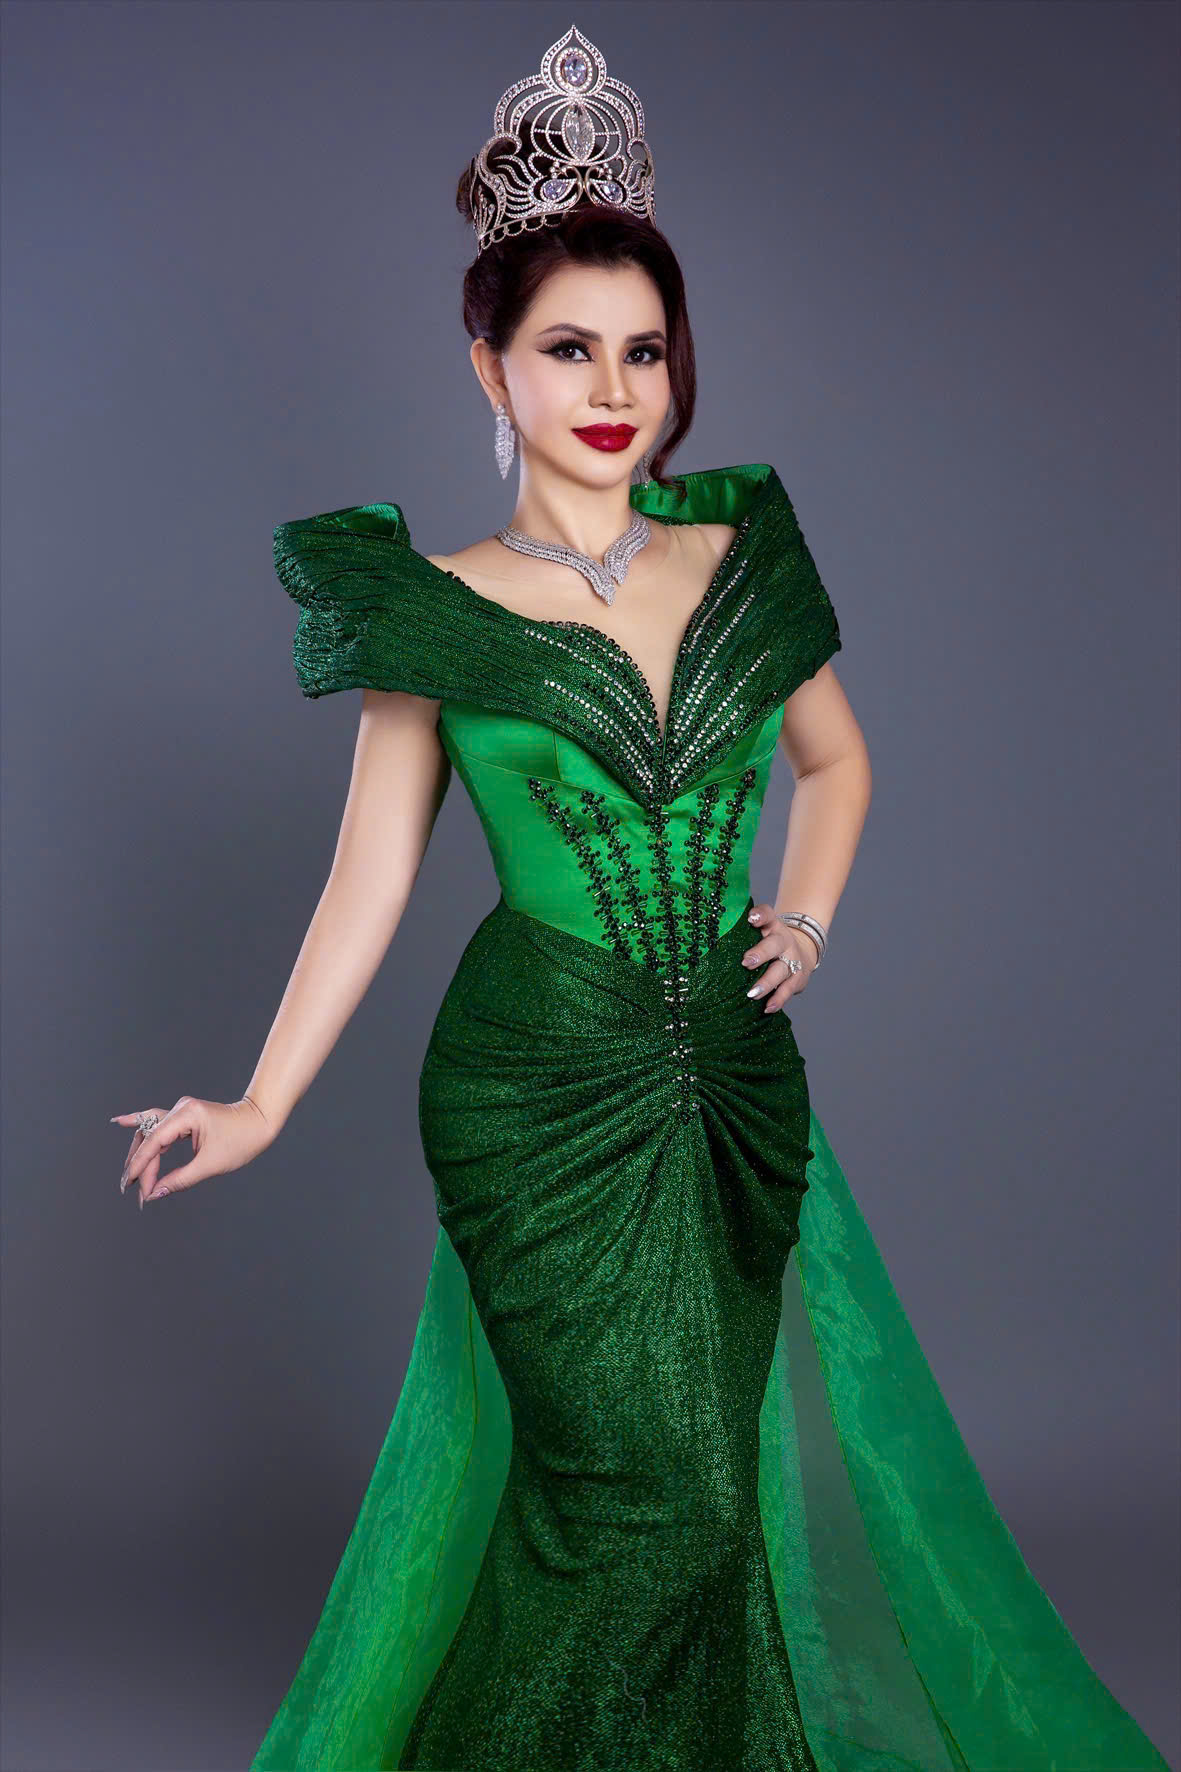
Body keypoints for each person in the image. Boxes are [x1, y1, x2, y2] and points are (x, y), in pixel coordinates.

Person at [111, 25, 1170, 1772]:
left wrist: (804, 919)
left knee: (708, 1490)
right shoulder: (430, 608)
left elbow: (839, 763)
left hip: (733, 1087)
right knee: (630, 1488)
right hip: (532, 1093)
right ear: (488, 366)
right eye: (566, 348)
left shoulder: (741, 559)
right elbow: (369, 873)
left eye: (644, 351)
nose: (613, 388)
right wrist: (262, 1102)